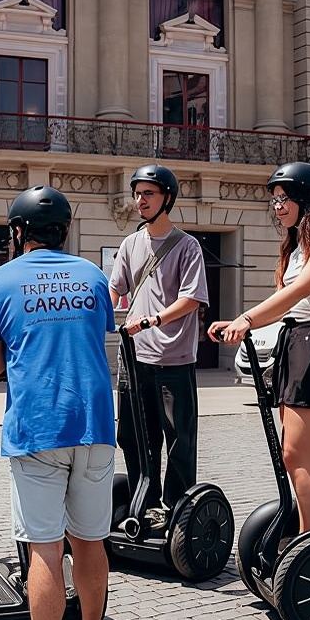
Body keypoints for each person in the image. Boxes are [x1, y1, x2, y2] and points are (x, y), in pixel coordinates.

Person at [0, 186, 115, 620]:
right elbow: (96, 334)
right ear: (66, 230)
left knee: (45, 549)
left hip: (38, 428)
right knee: (91, 541)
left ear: (17, 231)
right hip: (96, 423)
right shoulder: (93, 276)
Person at [208, 161, 310, 535]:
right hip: (295, 343)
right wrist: (237, 322)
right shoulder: (295, 247)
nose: (277, 207)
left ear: (305, 197)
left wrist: (247, 319)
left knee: (298, 455)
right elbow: (283, 300)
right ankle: (307, 541)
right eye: (273, 200)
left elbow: (301, 291)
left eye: (283, 198)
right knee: (297, 456)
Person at [108, 165, 210, 529]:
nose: (140, 201)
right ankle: (144, 500)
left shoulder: (187, 246)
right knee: (132, 435)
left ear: (167, 197)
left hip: (172, 358)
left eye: (148, 194)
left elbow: (192, 299)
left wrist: (152, 321)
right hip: (133, 358)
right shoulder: (130, 244)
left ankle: (177, 507)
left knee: (178, 438)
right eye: (137, 194)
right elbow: (115, 289)